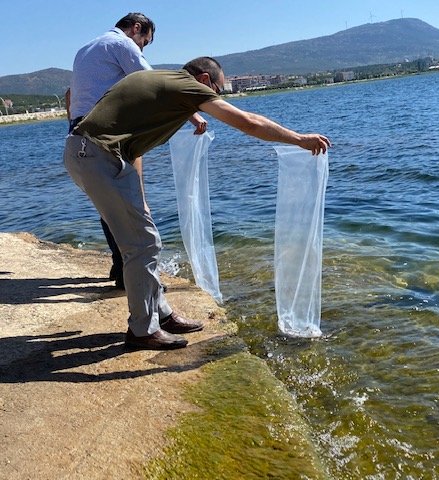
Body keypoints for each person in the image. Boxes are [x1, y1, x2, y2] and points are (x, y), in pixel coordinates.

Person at [63, 56, 330, 350]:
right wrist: (299, 139)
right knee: (141, 245)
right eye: (217, 90)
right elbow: (247, 122)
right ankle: (141, 331)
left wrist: (139, 195)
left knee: (145, 240)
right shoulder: (187, 86)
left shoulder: (162, 83)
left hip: (94, 153)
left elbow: (127, 137)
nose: (216, 97)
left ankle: (160, 315)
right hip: (96, 155)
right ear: (204, 79)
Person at [67, 12, 208, 290]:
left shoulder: (85, 49)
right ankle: (138, 278)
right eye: (145, 42)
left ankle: (121, 267)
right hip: (109, 133)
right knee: (134, 206)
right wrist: (193, 115)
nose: (142, 48)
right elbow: (153, 83)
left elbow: (71, 97)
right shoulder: (122, 45)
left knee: (111, 206)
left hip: (79, 135)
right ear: (136, 29)